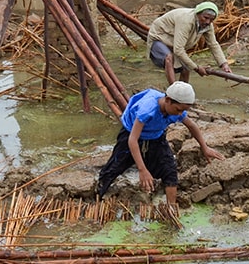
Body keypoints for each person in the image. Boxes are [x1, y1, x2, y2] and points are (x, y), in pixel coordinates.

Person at [96, 81, 224, 205]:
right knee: (114, 168)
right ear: (167, 100)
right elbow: (132, 139)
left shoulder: (176, 110)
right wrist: (142, 170)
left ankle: (171, 209)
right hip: (131, 134)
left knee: (169, 169)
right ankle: (98, 195)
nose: (180, 114)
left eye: (183, 111)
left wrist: (204, 147)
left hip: (156, 136)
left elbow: (191, 125)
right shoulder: (147, 110)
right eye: (178, 110)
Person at [147, 1, 231, 84]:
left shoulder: (208, 26)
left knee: (186, 67)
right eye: (205, 18)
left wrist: (224, 64)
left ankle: (183, 92)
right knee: (169, 58)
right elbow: (178, 50)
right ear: (198, 14)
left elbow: (213, 44)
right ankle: (173, 90)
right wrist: (197, 68)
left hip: (174, 42)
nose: (207, 22)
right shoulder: (186, 21)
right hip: (159, 37)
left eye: (211, 20)